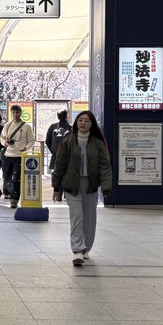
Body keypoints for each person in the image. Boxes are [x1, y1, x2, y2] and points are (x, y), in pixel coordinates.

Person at [51, 110, 113, 266]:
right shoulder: (68, 141)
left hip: (90, 185)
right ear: (76, 123)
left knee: (89, 219)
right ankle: (77, 250)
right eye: (80, 120)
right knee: (77, 216)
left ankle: (86, 248)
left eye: (86, 121)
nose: (83, 123)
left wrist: (106, 186)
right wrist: (56, 186)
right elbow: (60, 165)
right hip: (72, 184)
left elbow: (105, 166)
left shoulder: (97, 143)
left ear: (92, 124)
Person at [0, 104, 35, 208]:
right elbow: (2, 138)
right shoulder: (7, 126)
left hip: (19, 156)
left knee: (16, 178)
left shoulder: (26, 127)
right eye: (13, 112)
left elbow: (31, 141)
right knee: (6, 177)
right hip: (8, 155)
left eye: (17, 112)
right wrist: (5, 143)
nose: (15, 114)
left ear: (20, 113)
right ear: (11, 113)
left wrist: (26, 148)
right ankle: (8, 191)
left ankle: (14, 199)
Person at [44, 109, 70, 181]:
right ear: (66, 116)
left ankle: (57, 191)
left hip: (56, 155)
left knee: (57, 176)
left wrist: (53, 150)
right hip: (68, 156)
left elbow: (48, 141)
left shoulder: (52, 127)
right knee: (67, 175)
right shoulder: (71, 128)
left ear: (58, 117)